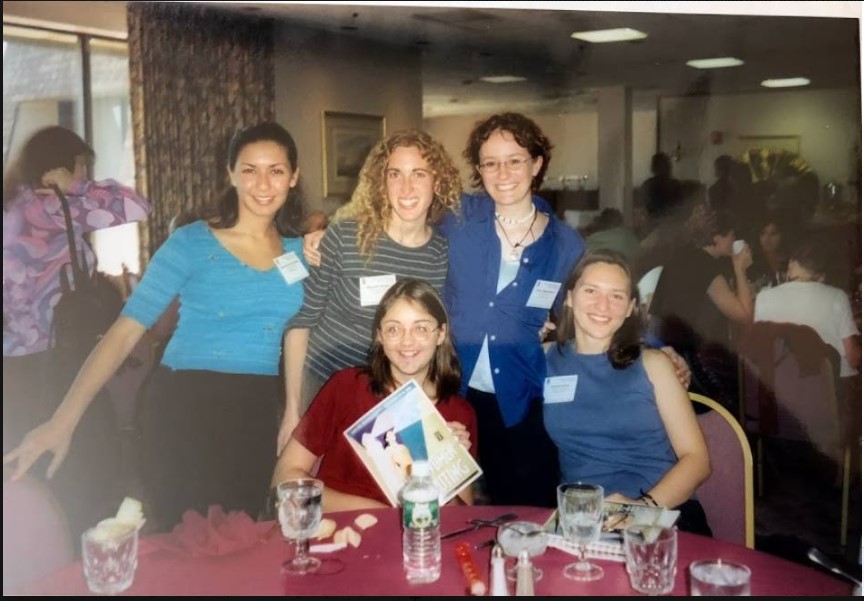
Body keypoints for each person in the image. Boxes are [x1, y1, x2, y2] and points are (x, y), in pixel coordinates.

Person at [4, 121, 307, 531]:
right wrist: (64, 419)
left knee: (240, 539)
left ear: (293, 177)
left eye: (276, 170)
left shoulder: (302, 253)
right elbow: (125, 331)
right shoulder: (191, 242)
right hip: (185, 404)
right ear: (230, 174)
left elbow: (299, 330)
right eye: (249, 169)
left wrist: (293, 412)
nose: (263, 183)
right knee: (188, 546)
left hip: (254, 409)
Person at [3, 125, 150, 540]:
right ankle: (86, 563)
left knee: (27, 473)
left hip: (12, 368)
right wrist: (74, 187)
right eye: (83, 166)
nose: (86, 175)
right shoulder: (49, 207)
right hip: (57, 362)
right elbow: (138, 205)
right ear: (62, 166)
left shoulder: (11, 206)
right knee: (83, 470)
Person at [279, 129, 462, 452]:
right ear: (381, 182)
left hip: (392, 399)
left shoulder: (442, 253)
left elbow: (434, 339)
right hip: (323, 386)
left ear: (438, 181)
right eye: (395, 174)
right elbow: (302, 321)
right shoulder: (346, 237)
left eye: (418, 174)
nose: (406, 187)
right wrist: (293, 410)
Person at [440, 112, 585, 507]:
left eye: (515, 160)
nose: (502, 173)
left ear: (536, 164)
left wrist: (660, 347)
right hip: (449, 392)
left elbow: (594, 311)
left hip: (520, 398)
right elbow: (395, 223)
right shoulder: (456, 217)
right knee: (447, 513)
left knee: (527, 512)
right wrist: (326, 233)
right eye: (490, 163)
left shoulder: (565, 244)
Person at [544, 250, 711, 534]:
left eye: (617, 296)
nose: (603, 305)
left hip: (660, 513)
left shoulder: (654, 364)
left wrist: (641, 507)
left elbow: (698, 460)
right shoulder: (544, 359)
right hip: (585, 521)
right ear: (569, 297)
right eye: (591, 291)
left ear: (631, 307)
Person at [272, 279, 477, 512]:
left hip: (414, 537)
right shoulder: (346, 387)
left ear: (441, 334)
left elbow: (461, 515)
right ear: (379, 335)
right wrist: (379, 512)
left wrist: (445, 458)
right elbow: (284, 477)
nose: (407, 341)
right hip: (337, 528)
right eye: (393, 329)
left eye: (420, 328)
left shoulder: (458, 413)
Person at [649, 203, 753, 411]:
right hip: (696, 362)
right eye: (731, 235)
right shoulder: (706, 267)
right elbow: (744, 316)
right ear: (716, 237)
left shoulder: (679, 258)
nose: (733, 241)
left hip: (664, 350)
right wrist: (740, 269)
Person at [755, 240, 860, 378]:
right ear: (822, 277)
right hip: (831, 387)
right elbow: (852, 358)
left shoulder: (763, 297)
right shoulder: (838, 296)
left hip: (784, 384)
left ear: (791, 263)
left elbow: (760, 352)